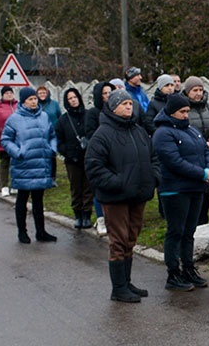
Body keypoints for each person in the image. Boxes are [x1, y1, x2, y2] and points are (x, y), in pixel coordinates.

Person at [84, 89, 159, 303]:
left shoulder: (138, 131)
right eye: (124, 103)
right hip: (115, 197)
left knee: (131, 239)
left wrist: (153, 177)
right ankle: (118, 288)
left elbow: (153, 157)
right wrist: (118, 183)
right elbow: (94, 167)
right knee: (119, 241)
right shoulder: (102, 134)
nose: (128, 106)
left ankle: (126, 282)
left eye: (130, 103)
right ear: (113, 107)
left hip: (138, 194)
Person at [152, 93, 209, 291]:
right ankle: (173, 273)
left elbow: (206, 151)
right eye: (182, 111)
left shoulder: (192, 130)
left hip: (195, 188)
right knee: (176, 231)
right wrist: (200, 173)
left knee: (189, 232)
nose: (186, 115)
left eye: (187, 111)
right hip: (175, 190)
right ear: (172, 112)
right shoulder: (163, 133)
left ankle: (188, 268)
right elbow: (174, 161)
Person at [2, 87, 57, 243]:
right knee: (22, 199)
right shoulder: (14, 119)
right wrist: (18, 152)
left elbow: (52, 135)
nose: (34, 102)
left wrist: (52, 149)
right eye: (30, 99)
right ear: (23, 101)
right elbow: (6, 139)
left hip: (41, 163)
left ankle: (41, 232)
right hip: (24, 165)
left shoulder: (44, 116)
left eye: (35, 99)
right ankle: (22, 232)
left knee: (38, 200)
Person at [184, 76, 209, 224]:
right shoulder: (183, 108)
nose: (198, 93)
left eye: (200, 90)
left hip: (208, 153)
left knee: (207, 190)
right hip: (191, 154)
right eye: (195, 90)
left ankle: (204, 222)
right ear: (187, 92)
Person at [56, 87, 95, 229]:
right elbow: (59, 140)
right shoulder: (63, 120)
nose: (73, 100)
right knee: (75, 187)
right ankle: (78, 214)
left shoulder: (88, 115)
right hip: (72, 159)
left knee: (88, 187)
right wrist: (67, 152)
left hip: (88, 157)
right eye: (70, 99)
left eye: (75, 97)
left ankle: (87, 214)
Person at [85, 80, 116, 235]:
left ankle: (113, 219)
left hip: (116, 155)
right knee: (99, 188)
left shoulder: (116, 111)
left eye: (110, 92)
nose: (108, 95)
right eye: (104, 93)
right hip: (100, 155)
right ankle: (101, 218)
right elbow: (90, 133)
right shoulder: (93, 113)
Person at [0, 87, 18, 196]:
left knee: (16, 163)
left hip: (17, 140)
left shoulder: (17, 106)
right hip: (4, 140)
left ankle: (15, 184)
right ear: (2, 95)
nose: (9, 95)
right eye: (7, 93)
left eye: (11, 93)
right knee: (5, 162)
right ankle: (4, 185)